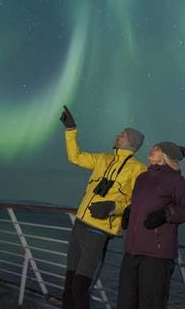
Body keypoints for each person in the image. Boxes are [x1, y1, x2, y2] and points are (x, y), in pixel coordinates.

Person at [59, 105, 147, 309]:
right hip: (80, 225)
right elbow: (75, 157)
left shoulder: (139, 169)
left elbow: (138, 202)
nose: (118, 136)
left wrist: (112, 207)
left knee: (80, 287)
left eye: (123, 134)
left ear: (131, 142)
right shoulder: (103, 159)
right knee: (69, 284)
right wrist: (70, 129)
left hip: (98, 231)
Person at [117, 141, 185, 309]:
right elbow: (142, 204)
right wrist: (129, 212)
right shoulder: (142, 178)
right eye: (153, 147)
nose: (152, 149)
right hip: (132, 251)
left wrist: (165, 214)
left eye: (157, 148)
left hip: (156, 255)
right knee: (125, 303)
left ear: (166, 156)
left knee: (151, 304)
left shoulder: (176, 181)